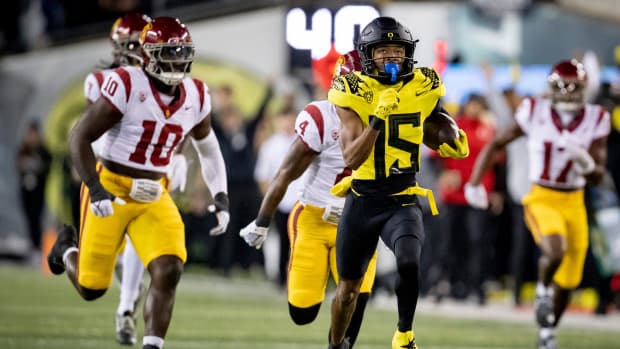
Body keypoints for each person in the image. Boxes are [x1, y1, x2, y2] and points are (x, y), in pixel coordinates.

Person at [46, 17, 230, 349]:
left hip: (154, 193)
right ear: (149, 55)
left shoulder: (197, 93)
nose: (176, 60)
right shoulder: (126, 83)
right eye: (169, 52)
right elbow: (80, 138)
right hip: (113, 187)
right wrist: (95, 186)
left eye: (181, 52)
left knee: (170, 267)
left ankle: (151, 344)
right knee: (91, 287)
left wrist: (221, 195)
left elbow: (209, 147)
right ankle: (65, 249)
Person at [324, 17, 469, 349]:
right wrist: (377, 118)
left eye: (398, 50)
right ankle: (335, 345)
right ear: (367, 55)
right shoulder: (353, 89)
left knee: (408, 260)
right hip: (363, 199)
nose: (392, 57)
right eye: (383, 51)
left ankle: (404, 334)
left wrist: (449, 133)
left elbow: (435, 115)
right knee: (348, 290)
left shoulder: (422, 83)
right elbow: (350, 159)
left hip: (402, 196)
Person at [464, 59, 610, 349]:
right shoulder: (535, 111)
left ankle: (546, 334)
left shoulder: (595, 117)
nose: (567, 92)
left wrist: (585, 162)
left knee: (568, 283)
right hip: (541, 195)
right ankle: (542, 290)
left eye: (573, 87)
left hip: (574, 200)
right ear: (550, 87)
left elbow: (598, 175)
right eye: (561, 86)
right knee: (554, 248)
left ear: (584, 88)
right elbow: (497, 143)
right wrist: (475, 181)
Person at [240, 51, 377, 348]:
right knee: (302, 312)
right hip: (314, 218)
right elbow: (285, 173)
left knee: (354, 295)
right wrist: (262, 221)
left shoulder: (383, 117)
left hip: (358, 223)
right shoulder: (321, 118)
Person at [81, 12, 169, 346]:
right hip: (111, 168)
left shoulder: (161, 77)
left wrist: (175, 157)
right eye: (128, 43)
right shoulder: (103, 80)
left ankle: (126, 305)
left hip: (150, 168)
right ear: (117, 45)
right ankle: (74, 252)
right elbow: (93, 132)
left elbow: (182, 115)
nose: (134, 49)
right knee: (95, 272)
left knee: (139, 235)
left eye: (139, 43)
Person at [17, 120, 52, 260]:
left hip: (38, 191)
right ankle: (32, 245)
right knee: (28, 217)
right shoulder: (24, 148)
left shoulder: (43, 150)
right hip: (26, 189)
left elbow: (48, 165)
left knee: (36, 218)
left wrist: (37, 167)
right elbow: (18, 164)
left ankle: (37, 248)